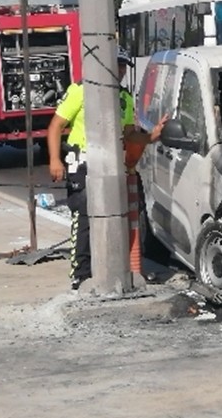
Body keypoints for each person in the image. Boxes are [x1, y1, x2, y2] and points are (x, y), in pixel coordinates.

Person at [46, 52, 165, 290]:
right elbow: (56, 126)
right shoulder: (81, 90)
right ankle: (80, 273)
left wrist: (151, 137)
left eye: (123, 67)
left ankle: (111, 267)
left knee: (116, 214)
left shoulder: (124, 98)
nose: (120, 71)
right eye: (117, 65)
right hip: (82, 161)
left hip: (110, 164)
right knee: (84, 214)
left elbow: (129, 134)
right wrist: (55, 160)